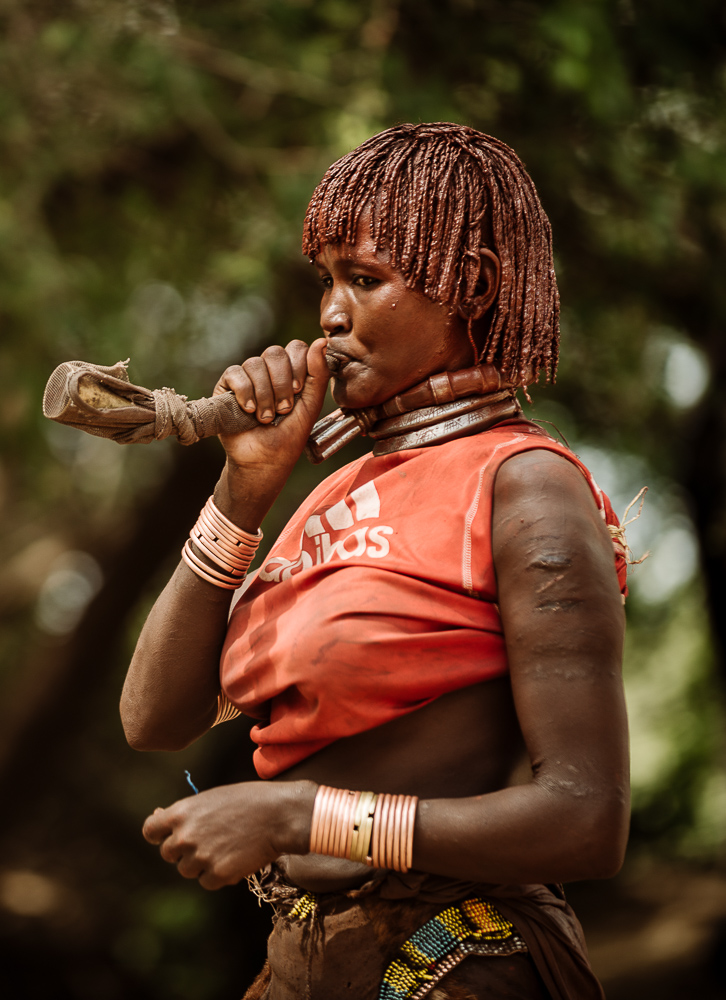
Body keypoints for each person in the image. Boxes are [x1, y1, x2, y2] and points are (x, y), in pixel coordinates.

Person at [122, 123, 630, 1000]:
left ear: (467, 285)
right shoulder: (332, 490)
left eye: (364, 280)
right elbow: (154, 718)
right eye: (326, 281)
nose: (329, 314)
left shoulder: (527, 487)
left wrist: (298, 813)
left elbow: (587, 820)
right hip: (307, 957)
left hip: (459, 959)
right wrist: (244, 490)